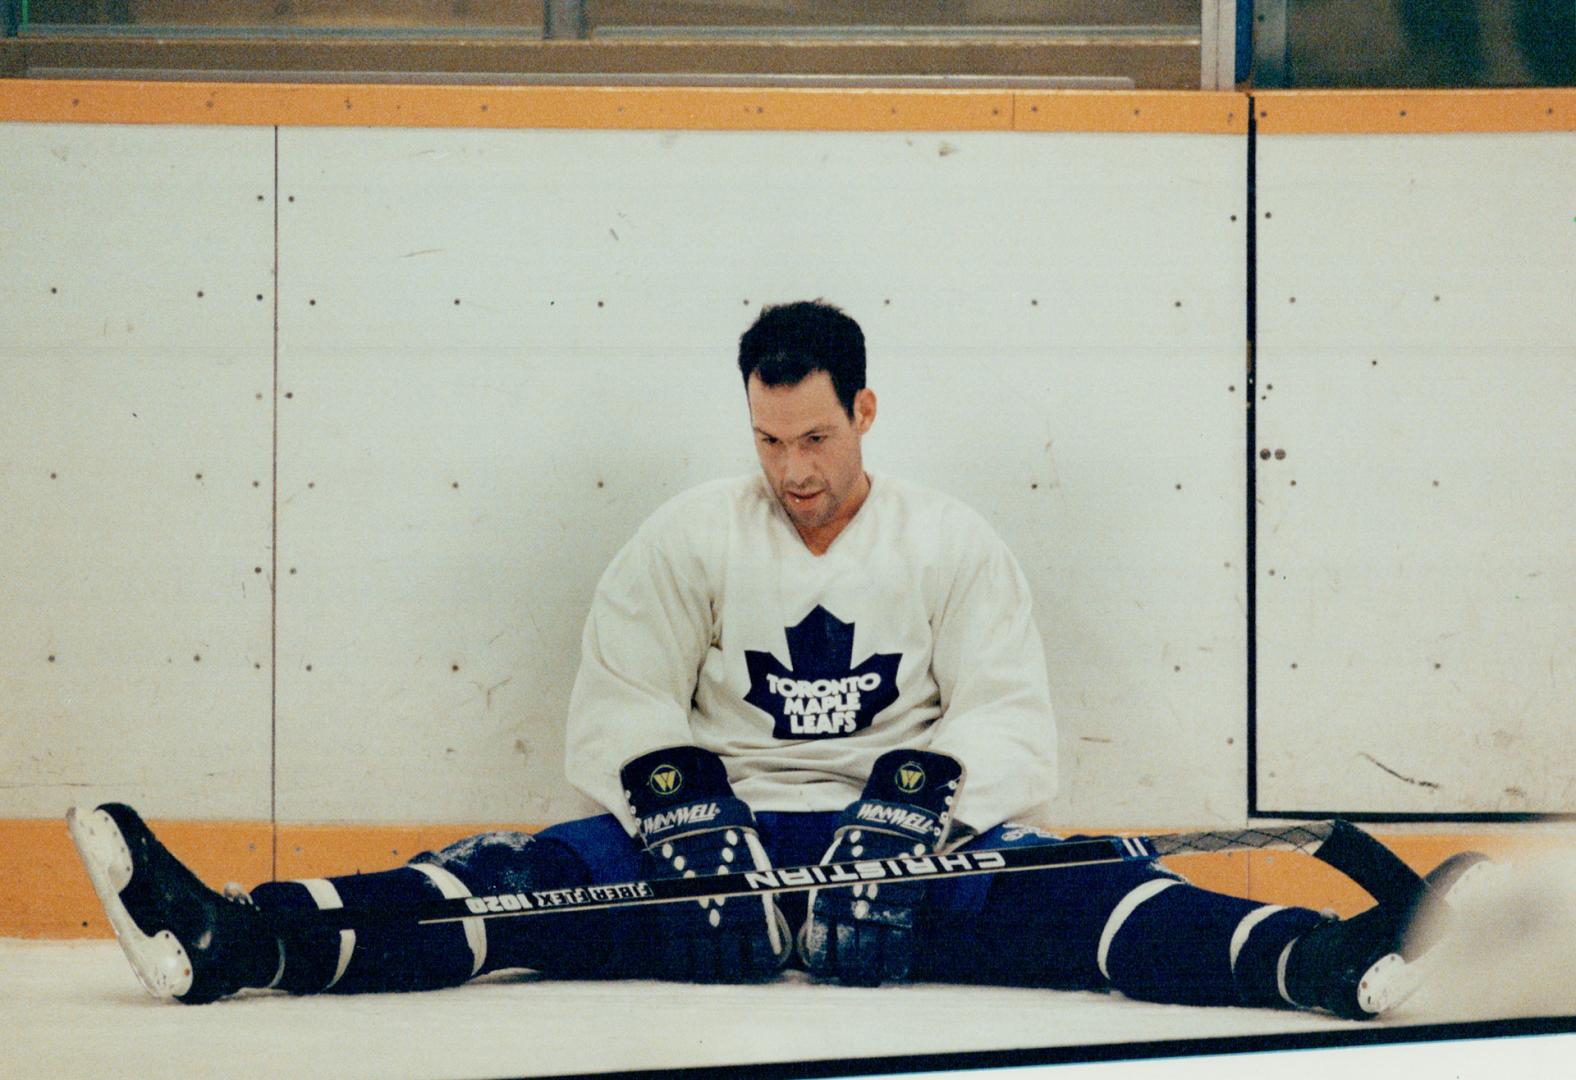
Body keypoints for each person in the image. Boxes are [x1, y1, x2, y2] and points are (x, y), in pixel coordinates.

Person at [70, 300, 1481, 1016]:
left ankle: (1326, 962)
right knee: (509, 883)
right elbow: (616, 704)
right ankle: (240, 937)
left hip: (909, 857)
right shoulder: (691, 539)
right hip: (720, 859)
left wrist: (910, 807)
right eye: (767, 439)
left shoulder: (952, 545)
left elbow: (1013, 725)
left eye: (815, 437)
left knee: (1097, 895)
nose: (793, 469)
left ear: (864, 411)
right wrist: (682, 813)